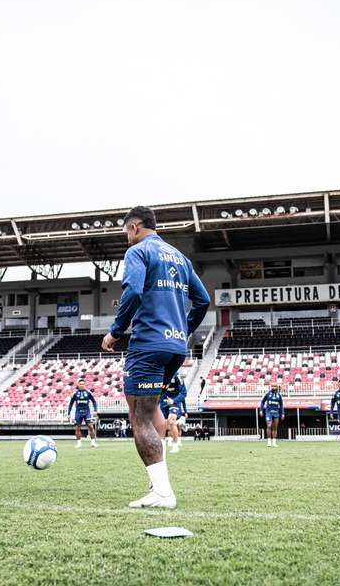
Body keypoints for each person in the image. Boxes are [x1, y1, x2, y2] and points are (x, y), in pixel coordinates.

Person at [102, 205, 210, 509]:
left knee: (139, 418)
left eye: (126, 231)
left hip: (148, 344)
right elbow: (203, 300)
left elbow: (133, 292)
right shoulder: (180, 257)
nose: (126, 237)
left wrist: (115, 331)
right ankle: (157, 484)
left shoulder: (138, 252)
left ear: (135, 227)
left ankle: (163, 492)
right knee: (152, 414)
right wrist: (184, 328)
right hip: (175, 347)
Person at [67, 379, 98, 448]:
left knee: (90, 426)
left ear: (85, 385)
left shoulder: (88, 393)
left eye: (83, 384)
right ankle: (79, 443)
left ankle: (93, 442)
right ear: (78, 385)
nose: (81, 385)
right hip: (78, 413)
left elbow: (94, 401)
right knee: (78, 428)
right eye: (80, 384)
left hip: (87, 412)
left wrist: (95, 410)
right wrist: (68, 413)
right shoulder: (75, 394)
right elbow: (71, 404)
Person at [160, 373, 187, 453]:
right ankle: (163, 444)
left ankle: (175, 446)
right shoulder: (158, 374)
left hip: (174, 401)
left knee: (172, 422)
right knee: (164, 424)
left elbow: (184, 393)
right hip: (163, 402)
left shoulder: (178, 376)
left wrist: (174, 401)